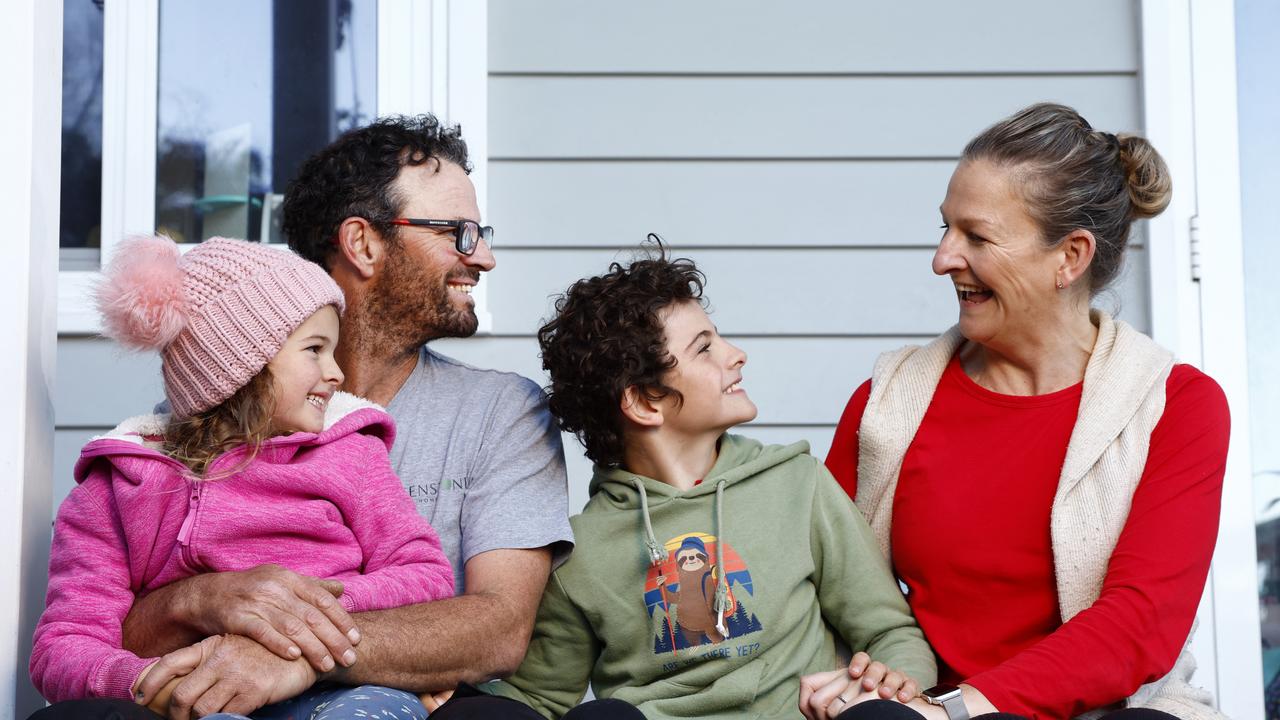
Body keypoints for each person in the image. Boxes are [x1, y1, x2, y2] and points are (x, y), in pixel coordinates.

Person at [92, 116, 573, 718]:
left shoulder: (501, 412)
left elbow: (496, 629)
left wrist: (294, 652)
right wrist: (203, 598)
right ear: (363, 243)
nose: (485, 258)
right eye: (460, 232)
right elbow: (100, 631)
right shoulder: (205, 421)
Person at [820, 103, 1230, 720]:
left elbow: (1140, 624)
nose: (943, 259)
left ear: (1070, 257)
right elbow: (819, 586)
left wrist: (959, 711)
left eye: (977, 237)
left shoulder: (1176, 405)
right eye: (945, 229)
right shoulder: (887, 403)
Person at [481, 247, 936, 719]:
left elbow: (890, 631)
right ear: (644, 402)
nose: (737, 355)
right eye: (704, 348)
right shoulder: (581, 552)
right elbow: (538, 699)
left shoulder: (796, 484)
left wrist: (894, 680)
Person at [30, 236, 455, 720]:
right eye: (315, 349)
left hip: (338, 689)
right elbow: (64, 644)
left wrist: (302, 612)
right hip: (200, 696)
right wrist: (144, 682)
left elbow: (426, 575)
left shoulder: (352, 455)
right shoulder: (119, 487)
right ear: (241, 367)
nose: (336, 373)